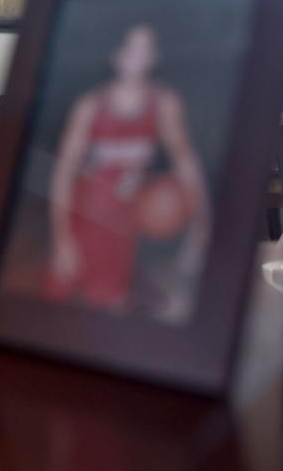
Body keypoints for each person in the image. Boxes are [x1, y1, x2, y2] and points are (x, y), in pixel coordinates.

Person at [47, 24, 210, 317]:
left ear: (154, 57)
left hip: (132, 221)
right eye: (132, 48)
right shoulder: (90, 105)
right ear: (117, 55)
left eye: (146, 49)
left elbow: (187, 164)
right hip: (89, 219)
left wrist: (201, 225)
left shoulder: (163, 103)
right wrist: (62, 240)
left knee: (141, 310)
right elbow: (63, 174)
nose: (139, 56)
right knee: (67, 308)